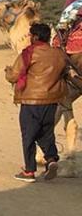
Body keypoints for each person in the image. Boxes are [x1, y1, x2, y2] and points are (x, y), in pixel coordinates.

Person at [5, 22, 69, 183]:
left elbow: (14, 76)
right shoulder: (59, 54)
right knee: (46, 132)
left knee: (28, 135)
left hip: (31, 100)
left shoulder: (28, 53)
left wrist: (7, 72)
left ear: (34, 37)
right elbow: (64, 72)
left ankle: (29, 171)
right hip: (52, 101)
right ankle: (51, 159)